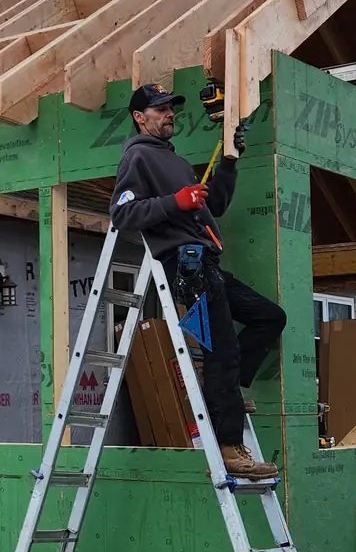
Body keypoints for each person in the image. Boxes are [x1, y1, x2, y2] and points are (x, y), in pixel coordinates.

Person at [109, 84, 287, 480]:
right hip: (185, 266)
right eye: (160, 109)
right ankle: (229, 447)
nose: (169, 113)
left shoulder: (175, 161)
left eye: (170, 108)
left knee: (269, 317)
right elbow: (122, 215)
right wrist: (177, 202)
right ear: (140, 117)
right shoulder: (138, 156)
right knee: (222, 348)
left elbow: (215, 206)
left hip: (208, 262)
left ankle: (227, 391)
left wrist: (228, 161)